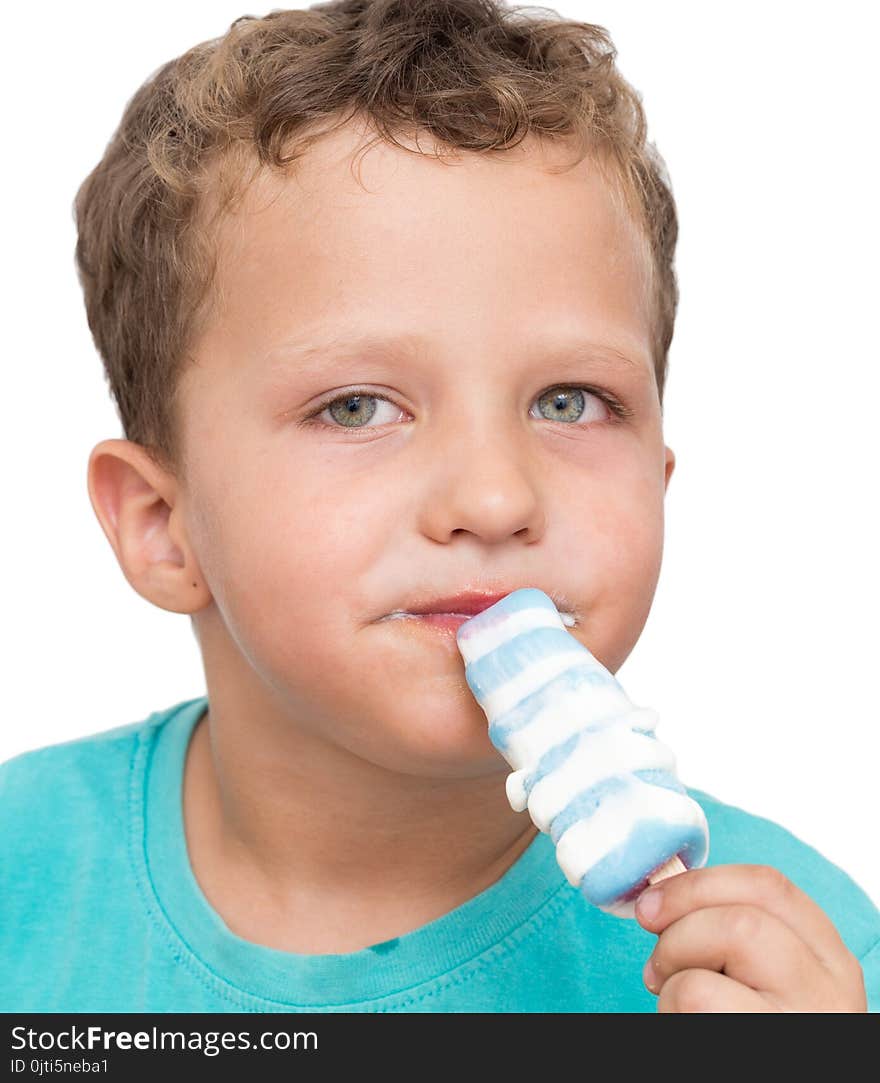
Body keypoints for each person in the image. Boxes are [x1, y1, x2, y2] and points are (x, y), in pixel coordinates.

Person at [1, 0, 876, 1013]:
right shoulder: (25, 880)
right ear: (162, 525)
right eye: (357, 406)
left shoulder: (807, 972)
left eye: (569, 402)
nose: (494, 498)